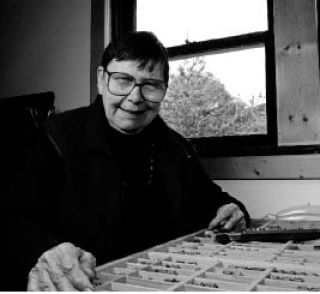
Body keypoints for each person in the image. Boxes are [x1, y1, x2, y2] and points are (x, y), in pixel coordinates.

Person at [1, 31, 250, 291]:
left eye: (150, 85)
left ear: (164, 91)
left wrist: (233, 209)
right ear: (101, 80)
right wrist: (44, 250)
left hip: (162, 281)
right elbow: (11, 220)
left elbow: (212, 201)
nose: (135, 97)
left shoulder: (177, 148)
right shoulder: (55, 137)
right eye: (123, 80)